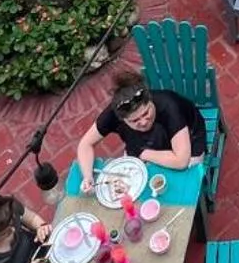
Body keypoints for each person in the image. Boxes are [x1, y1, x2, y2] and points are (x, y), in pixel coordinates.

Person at [72, 68, 207, 187]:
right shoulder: (114, 113)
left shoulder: (170, 107)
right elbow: (85, 144)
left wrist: (143, 154)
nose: (143, 122)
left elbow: (182, 161)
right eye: (135, 120)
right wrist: (88, 177)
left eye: (146, 113)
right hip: (147, 142)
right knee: (129, 179)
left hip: (189, 138)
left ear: (150, 100)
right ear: (122, 119)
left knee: (184, 178)